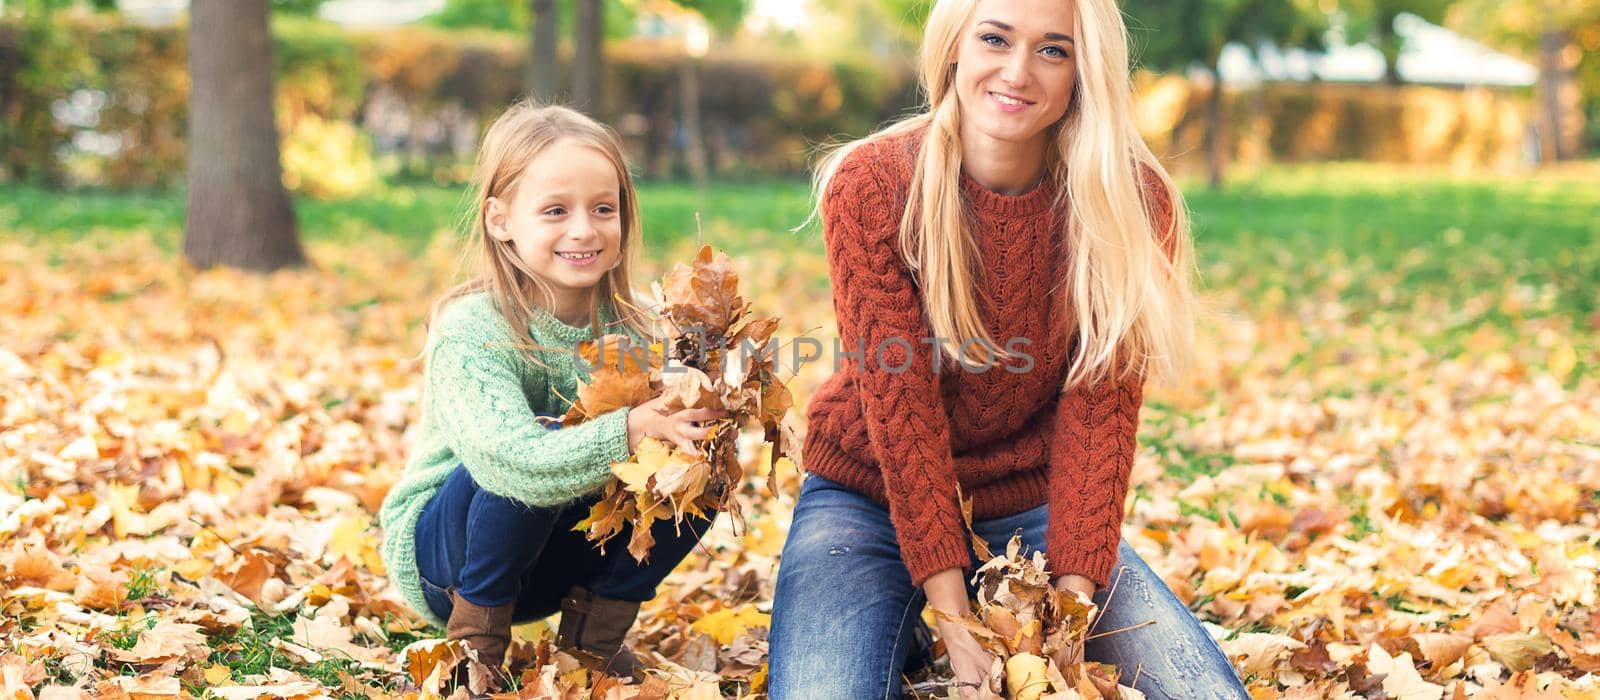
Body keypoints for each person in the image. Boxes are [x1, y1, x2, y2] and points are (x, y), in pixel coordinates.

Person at [767, 0, 1250, 698]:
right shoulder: (873, 185)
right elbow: (902, 414)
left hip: (1031, 507)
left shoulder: (1130, 202)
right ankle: (901, 622)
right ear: (955, 43)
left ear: (1086, 69)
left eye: (1054, 50)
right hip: (867, 494)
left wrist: (1069, 616)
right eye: (996, 38)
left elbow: (1099, 420)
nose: (1018, 71)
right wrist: (957, 622)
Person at [377, 101, 726, 688]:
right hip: (451, 563)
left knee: (699, 456)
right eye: (556, 211)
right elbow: (513, 464)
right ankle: (474, 652)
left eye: (603, 209)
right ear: (500, 219)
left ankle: (590, 644)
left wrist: (708, 394)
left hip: (554, 562)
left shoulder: (639, 323)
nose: (584, 230)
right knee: (540, 436)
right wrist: (635, 427)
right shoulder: (474, 329)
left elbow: (681, 422)